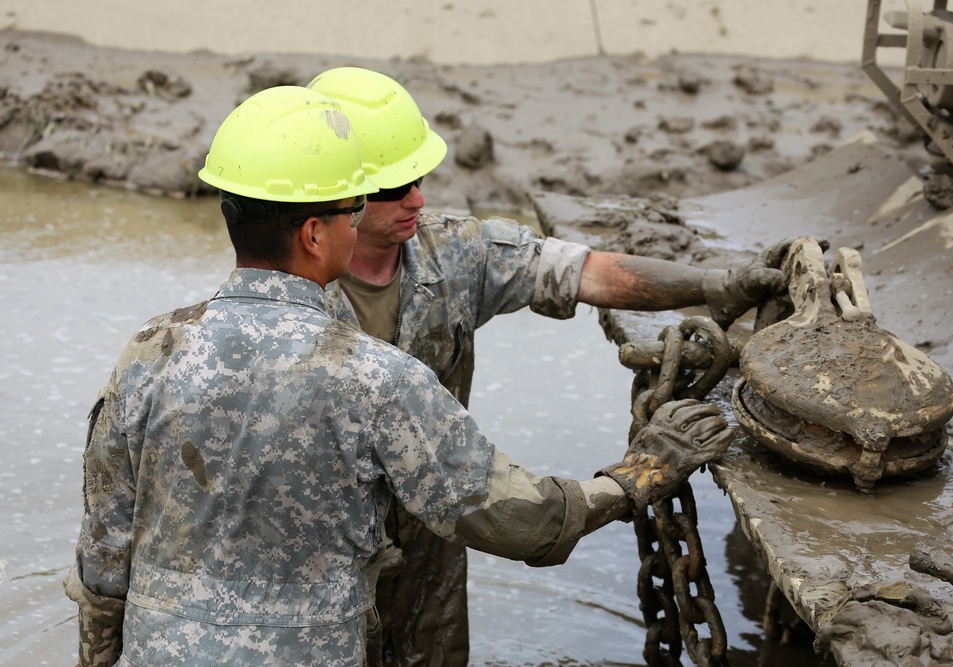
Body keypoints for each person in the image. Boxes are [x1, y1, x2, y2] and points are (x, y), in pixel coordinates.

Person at [63, 84, 736, 667]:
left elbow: (104, 553)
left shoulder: (147, 352)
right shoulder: (375, 378)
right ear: (315, 235)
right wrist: (640, 473)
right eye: (352, 209)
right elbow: (517, 515)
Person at [306, 66, 791, 667]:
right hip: (325, 550)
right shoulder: (288, 305)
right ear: (334, 196)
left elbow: (584, 271)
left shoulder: (451, 253)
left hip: (433, 536)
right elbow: (513, 515)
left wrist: (714, 284)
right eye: (393, 188)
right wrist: (634, 477)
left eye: (420, 179)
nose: (417, 199)